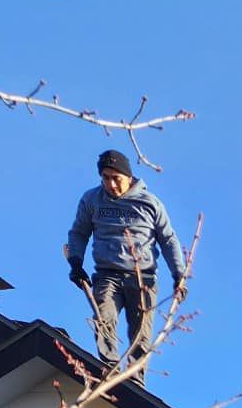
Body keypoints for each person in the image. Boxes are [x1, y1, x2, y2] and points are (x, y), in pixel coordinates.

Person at [63, 149, 187, 379]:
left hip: (142, 278)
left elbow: (168, 240)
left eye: (116, 178)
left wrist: (179, 274)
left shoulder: (150, 204)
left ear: (128, 176)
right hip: (107, 274)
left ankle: (134, 380)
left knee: (140, 332)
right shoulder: (92, 200)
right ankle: (109, 369)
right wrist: (76, 263)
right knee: (104, 316)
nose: (111, 184)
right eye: (105, 178)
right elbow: (79, 233)